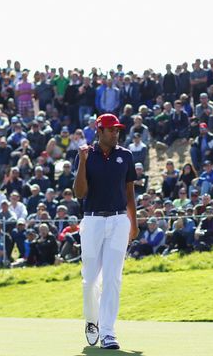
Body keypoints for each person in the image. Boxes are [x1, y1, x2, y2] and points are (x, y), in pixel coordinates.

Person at [73, 113, 138, 350]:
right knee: (90, 280)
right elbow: (80, 193)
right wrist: (82, 161)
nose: (115, 133)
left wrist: (134, 222)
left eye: (117, 130)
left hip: (120, 220)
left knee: (113, 278)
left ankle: (108, 332)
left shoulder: (126, 155)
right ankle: (92, 322)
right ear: (99, 131)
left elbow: (130, 192)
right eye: (111, 129)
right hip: (92, 221)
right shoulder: (86, 155)